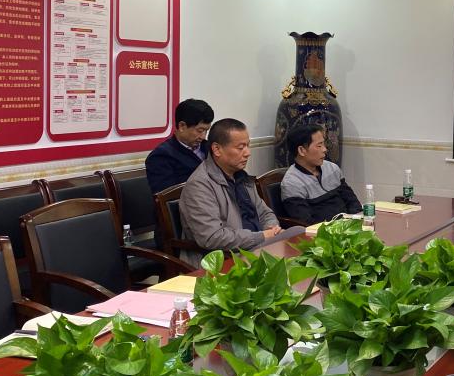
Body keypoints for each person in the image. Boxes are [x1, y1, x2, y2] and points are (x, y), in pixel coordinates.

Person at [178, 118, 280, 266]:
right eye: (240, 147)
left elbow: (265, 213)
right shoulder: (199, 185)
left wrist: (272, 229)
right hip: (226, 260)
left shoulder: (241, 176)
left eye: (248, 146)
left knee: (298, 233)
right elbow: (212, 237)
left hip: (258, 247)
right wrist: (261, 237)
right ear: (217, 149)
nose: (248, 153)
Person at [280, 124, 362, 225]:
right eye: (319, 146)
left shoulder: (332, 168)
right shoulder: (292, 184)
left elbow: (352, 201)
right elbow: (306, 222)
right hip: (323, 232)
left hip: (349, 226)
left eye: (324, 144)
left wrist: (356, 220)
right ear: (301, 150)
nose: (324, 149)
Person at [145, 98, 214, 194]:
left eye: (206, 131)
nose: (203, 136)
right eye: (200, 130)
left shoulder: (209, 147)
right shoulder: (161, 156)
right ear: (182, 126)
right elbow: (167, 197)